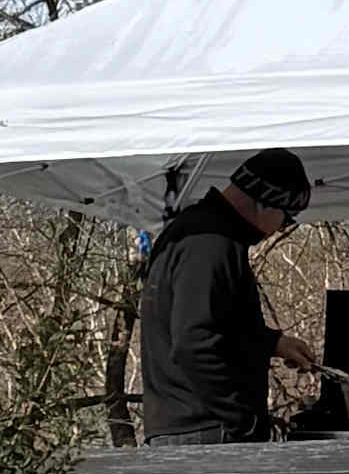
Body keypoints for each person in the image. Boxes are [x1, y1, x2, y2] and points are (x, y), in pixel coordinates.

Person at [133, 150, 332, 445]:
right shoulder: (211, 245)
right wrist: (241, 421)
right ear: (264, 204)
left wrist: (272, 344)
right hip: (204, 433)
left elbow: (215, 326)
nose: (281, 228)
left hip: (187, 429)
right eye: (286, 218)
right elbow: (194, 343)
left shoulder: (193, 231)